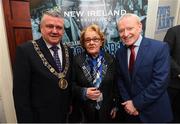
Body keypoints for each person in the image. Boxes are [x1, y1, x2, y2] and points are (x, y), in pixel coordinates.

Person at [13, 9, 73, 123]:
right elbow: (20, 95)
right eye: (50, 26)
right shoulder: (26, 51)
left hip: (65, 116)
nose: (55, 31)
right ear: (41, 28)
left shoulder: (68, 50)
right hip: (39, 118)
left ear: (63, 30)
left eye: (59, 27)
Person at [115, 13, 173, 123]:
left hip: (154, 114)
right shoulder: (120, 52)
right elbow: (120, 80)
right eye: (121, 30)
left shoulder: (159, 48)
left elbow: (160, 83)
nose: (125, 34)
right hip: (130, 114)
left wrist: (135, 104)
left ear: (140, 27)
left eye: (129, 28)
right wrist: (128, 102)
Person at [71, 24, 121, 122]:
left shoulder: (111, 60)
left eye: (95, 39)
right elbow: (70, 85)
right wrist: (83, 92)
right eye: (87, 40)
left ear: (101, 41)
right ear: (83, 43)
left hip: (106, 112)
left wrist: (115, 106)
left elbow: (116, 86)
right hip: (84, 113)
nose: (91, 43)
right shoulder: (76, 61)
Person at [163, 25, 180, 122]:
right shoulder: (173, 31)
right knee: (167, 114)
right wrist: (178, 72)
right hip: (172, 84)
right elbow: (165, 54)